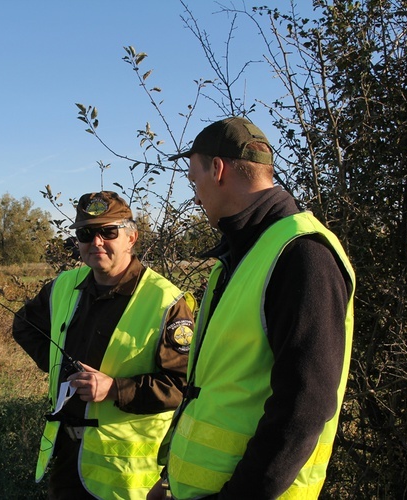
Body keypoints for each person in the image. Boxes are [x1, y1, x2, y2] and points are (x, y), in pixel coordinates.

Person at [148, 117, 356, 500]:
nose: (195, 196)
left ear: (218, 168)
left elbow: (305, 406)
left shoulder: (302, 255)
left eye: (195, 181)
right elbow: (221, 389)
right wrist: (171, 483)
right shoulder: (244, 254)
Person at [13, 191, 196, 500]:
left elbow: (181, 386)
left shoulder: (167, 302)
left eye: (108, 231)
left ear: (131, 236)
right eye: (86, 233)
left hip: (125, 479)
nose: (96, 242)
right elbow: (24, 325)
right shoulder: (64, 286)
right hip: (66, 463)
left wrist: (113, 389)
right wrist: (59, 368)